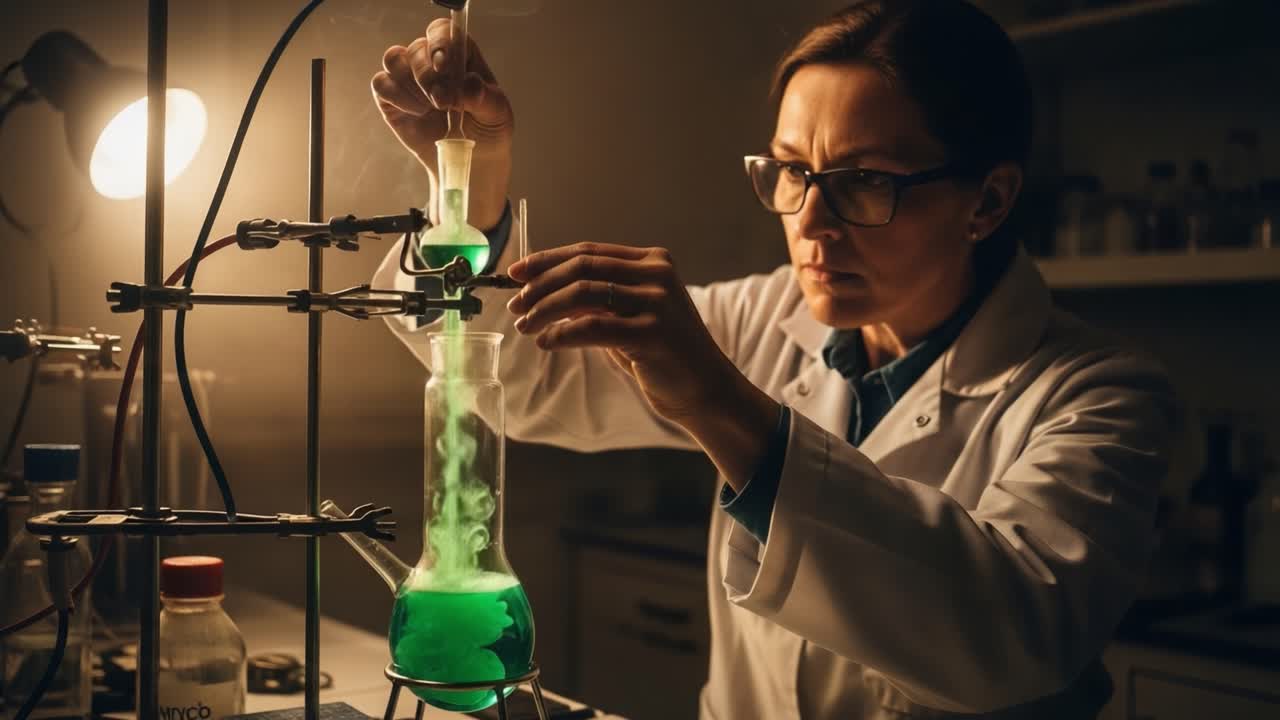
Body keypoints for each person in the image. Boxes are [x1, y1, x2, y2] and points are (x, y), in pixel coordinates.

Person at [370, 1, 1177, 718]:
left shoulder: (1101, 395)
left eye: (864, 180)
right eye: (793, 171)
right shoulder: (766, 312)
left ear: (989, 200)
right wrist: (467, 183)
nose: (812, 222)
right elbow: (520, 376)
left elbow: (1017, 642)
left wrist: (719, 402)